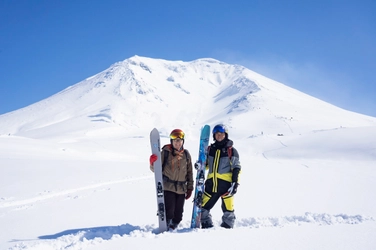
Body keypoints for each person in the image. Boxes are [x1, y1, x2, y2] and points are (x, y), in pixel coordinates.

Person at [149, 129, 194, 230]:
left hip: (181, 188)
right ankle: (166, 223)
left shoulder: (186, 154)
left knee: (178, 214)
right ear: (172, 142)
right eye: (175, 141)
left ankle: (174, 224)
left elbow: (190, 172)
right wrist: (152, 163)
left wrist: (190, 188)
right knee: (170, 210)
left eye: (179, 141)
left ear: (183, 141)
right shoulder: (165, 153)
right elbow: (155, 169)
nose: (177, 143)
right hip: (168, 187)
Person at [199, 124, 241, 229]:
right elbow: (207, 164)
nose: (219, 136)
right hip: (211, 185)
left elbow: (236, 167)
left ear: (225, 135)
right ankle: (206, 226)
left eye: (221, 134)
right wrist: (201, 165)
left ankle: (227, 231)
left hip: (226, 186)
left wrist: (235, 183)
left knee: (229, 211)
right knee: (202, 208)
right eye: (217, 134)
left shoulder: (231, 150)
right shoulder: (210, 149)